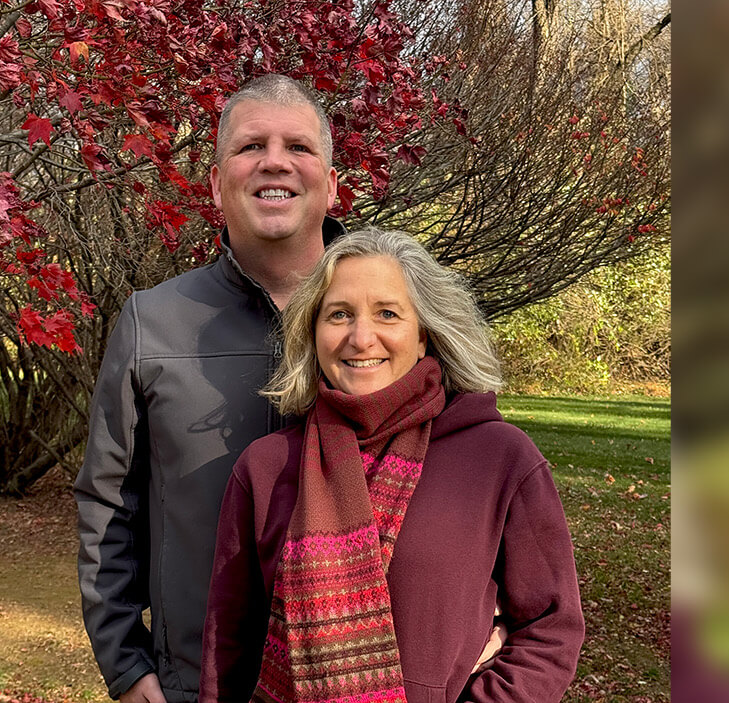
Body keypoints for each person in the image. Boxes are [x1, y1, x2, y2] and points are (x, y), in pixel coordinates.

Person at [200, 229, 584, 703]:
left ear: (423, 335)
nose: (361, 338)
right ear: (313, 333)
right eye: (339, 315)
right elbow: (228, 644)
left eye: (387, 313)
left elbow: (550, 628)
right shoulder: (265, 467)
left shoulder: (500, 458)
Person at [75, 74, 344, 703]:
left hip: (357, 677)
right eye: (251, 146)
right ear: (217, 184)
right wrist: (125, 661)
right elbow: (107, 502)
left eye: (298, 146)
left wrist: (488, 603)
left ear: (332, 184)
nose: (275, 161)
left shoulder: (392, 317)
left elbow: (467, 471)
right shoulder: (152, 322)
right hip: (197, 683)